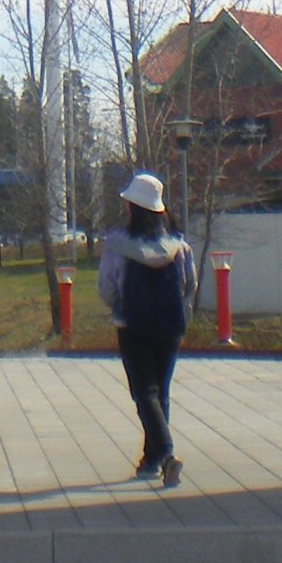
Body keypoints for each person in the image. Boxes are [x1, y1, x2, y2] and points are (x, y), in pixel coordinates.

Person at [97, 170, 197, 486]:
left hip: (133, 325)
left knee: (144, 392)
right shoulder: (178, 245)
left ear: (132, 208)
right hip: (170, 327)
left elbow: (107, 287)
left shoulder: (118, 245)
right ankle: (151, 460)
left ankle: (165, 454)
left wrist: (117, 306)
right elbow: (189, 284)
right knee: (159, 392)